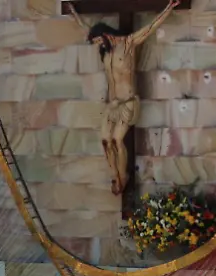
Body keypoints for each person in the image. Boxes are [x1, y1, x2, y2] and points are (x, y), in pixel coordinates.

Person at [68, 0, 179, 195]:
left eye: (98, 41)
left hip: (128, 102)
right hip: (112, 105)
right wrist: (73, 12)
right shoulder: (106, 51)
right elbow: (85, 27)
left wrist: (169, 7)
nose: (98, 45)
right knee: (105, 140)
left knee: (118, 140)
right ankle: (116, 175)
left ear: (105, 35)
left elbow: (150, 27)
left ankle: (124, 175)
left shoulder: (128, 43)